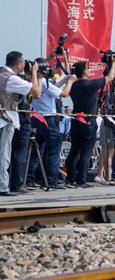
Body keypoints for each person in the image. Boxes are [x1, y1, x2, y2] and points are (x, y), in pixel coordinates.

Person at [66, 59, 115, 187]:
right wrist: (114, 62)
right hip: (88, 122)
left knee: (74, 151)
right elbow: (110, 77)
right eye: (87, 69)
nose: (89, 71)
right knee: (86, 152)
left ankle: (70, 179)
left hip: (76, 120)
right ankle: (81, 180)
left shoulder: (73, 86)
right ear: (85, 72)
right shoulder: (90, 85)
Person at [0, 52, 42, 196]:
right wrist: (36, 73)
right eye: (23, 62)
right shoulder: (11, 79)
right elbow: (36, 93)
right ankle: (3, 187)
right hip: (6, 120)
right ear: (18, 64)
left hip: (4, 118)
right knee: (4, 155)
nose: (25, 64)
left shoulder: (1, 73)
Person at [30, 58, 75, 189]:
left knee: (36, 151)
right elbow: (65, 94)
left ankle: (30, 178)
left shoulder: (37, 81)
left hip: (37, 118)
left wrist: (65, 80)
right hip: (48, 119)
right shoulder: (43, 82)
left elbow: (53, 88)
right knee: (53, 152)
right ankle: (51, 181)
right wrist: (71, 81)